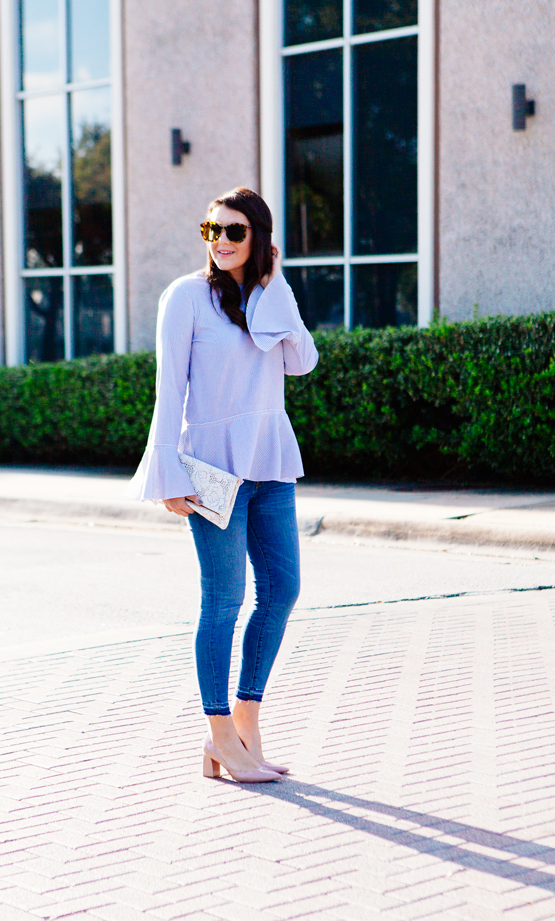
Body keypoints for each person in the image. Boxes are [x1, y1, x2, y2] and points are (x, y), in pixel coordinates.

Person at [127, 186, 318, 783]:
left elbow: (302, 361)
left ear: (259, 238)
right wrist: (166, 471)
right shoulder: (185, 296)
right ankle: (217, 734)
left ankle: (245, 724)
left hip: (269, 464)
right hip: (212, 470)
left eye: (236, 231)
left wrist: (274, 283)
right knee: (224, 600)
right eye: (213, 230)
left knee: (282, 590)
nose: (223, 241)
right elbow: (169, 391)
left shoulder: (268, 295)